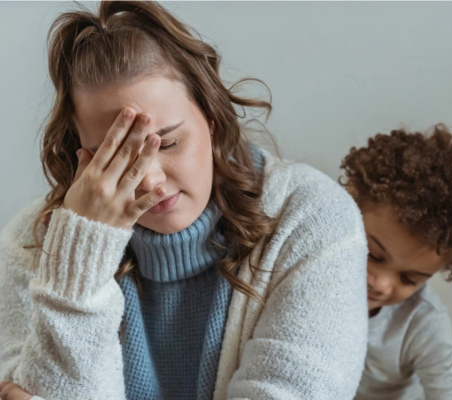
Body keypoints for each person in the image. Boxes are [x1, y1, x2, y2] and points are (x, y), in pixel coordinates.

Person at [0, 2, 368, 399]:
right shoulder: (33, 242)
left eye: (169, 142)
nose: (149, 180)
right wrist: (80, 260)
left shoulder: (313, 220)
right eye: (114, 156)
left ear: (211, 116)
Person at [339, 125, 452, 400]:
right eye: (373, 255)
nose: (382, 284)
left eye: (408, 279)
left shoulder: (422, 321)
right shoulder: (308, 270)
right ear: (350, 201)